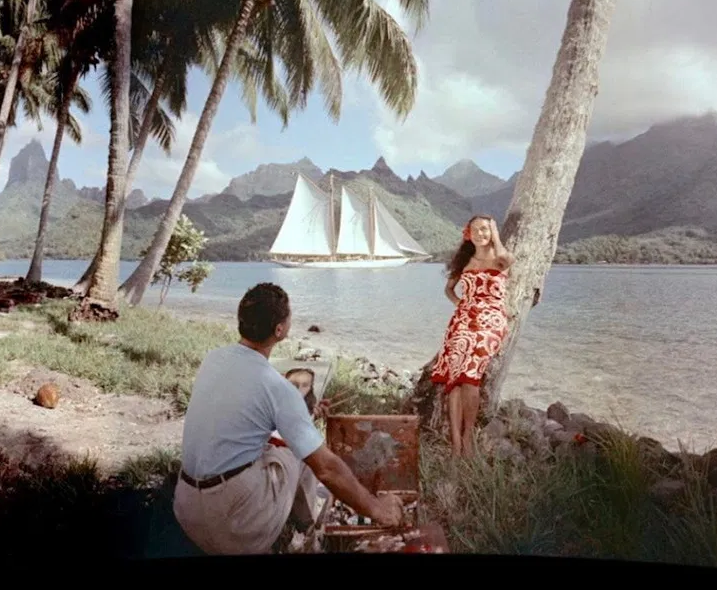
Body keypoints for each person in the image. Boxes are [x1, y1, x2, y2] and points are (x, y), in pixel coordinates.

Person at [173, 282, 405, 555]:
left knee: (276, 446)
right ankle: (309, 534)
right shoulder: (277, 387)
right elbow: (326, 468)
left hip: (187, 511)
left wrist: (301, 414)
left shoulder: (213, 359)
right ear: (280, 330)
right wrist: (379, 510)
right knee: (300, 454)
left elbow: (244, 422)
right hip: (233, 526)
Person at [428, 215, 514, 457]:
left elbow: (507, 260)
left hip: (491, 320)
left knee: (470, 373)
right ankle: (455, 443)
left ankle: (467, 440)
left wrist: (496, 234)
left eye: (485, 229)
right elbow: (448, 289)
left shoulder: (499, 258)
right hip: (463, 320)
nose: (480, 234)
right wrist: (461, 305)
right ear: (468, 233)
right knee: (454, 378)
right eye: (476, 230)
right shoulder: (465, 260)